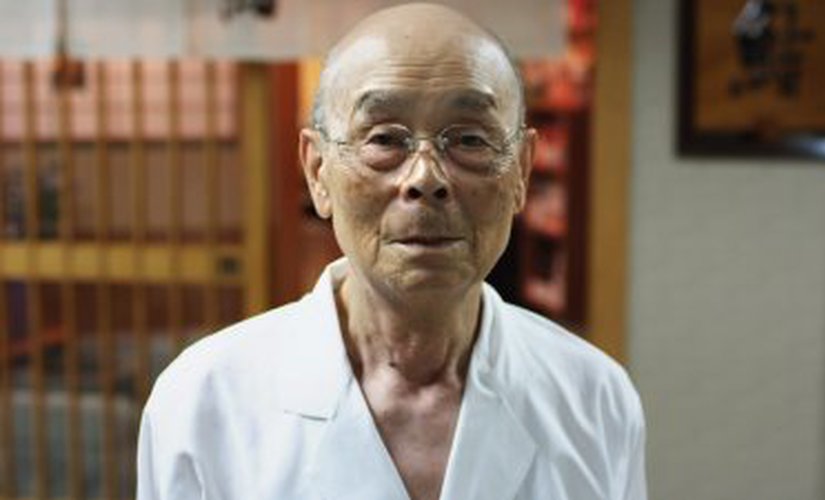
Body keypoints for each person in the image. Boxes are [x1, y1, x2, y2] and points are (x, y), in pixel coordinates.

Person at [136, 3, 647, 499]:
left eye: (470, 139)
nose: (426, 178)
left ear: (521, 172)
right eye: (384, 139)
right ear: (317, 172)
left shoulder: (595, 400)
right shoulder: (203, 403)